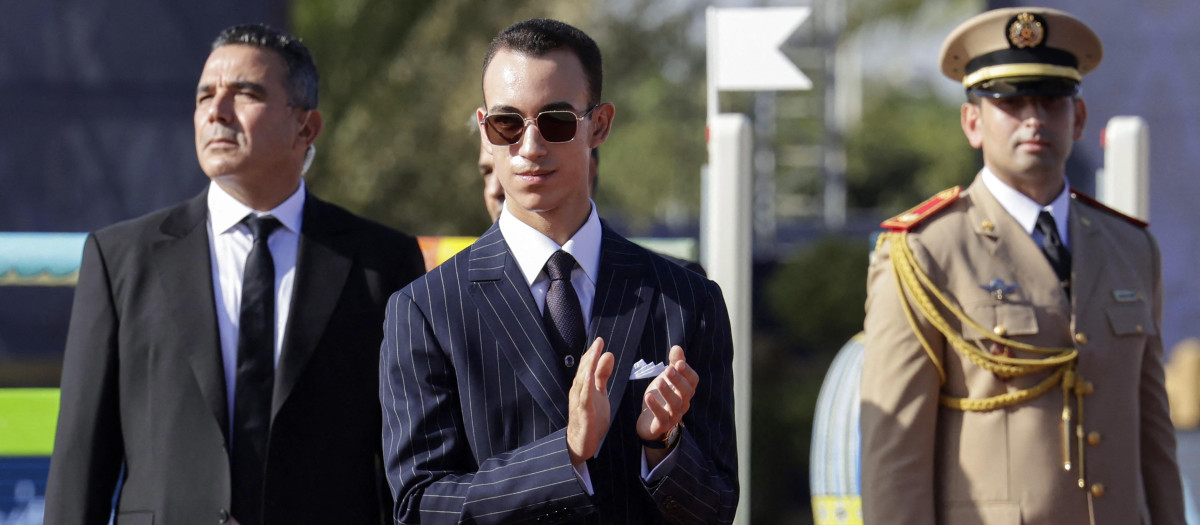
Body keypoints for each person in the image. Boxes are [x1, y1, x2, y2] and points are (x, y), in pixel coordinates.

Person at [44, 23, 426, 525]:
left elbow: (409, 459)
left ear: (306, 128)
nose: (217, 111)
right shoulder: (120, 259)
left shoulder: (382, 262)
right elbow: (80, 464)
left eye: (245, 93)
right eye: (205, 95)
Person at [382, 18, 738, 524]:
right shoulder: (425, 309)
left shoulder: (686, 298)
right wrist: (564, 454)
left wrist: (664, 446)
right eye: (507, 123)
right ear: (484, 127)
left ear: (600, 124)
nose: (529, 147)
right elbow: (420, 508)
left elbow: (719, 507)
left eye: (555, 121)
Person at [860, 7, 1185, 524]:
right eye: (1011, 102)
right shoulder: (925, 251)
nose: (1034, 119)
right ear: (972, 121)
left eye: (1052, 101)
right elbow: (895, 451)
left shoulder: (1130, 247)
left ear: (1078, 119)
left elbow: (1153, 433)